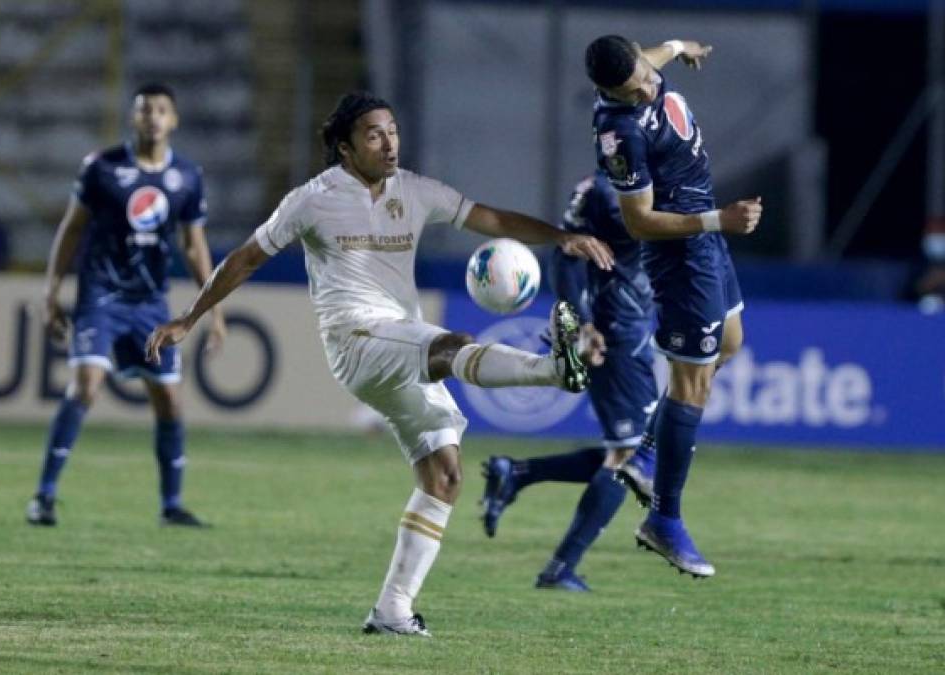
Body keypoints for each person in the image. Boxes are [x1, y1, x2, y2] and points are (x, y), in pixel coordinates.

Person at [144, 91, 614, 636]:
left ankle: (392, 610)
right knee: (448, 345)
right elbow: (245, 258)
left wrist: (563, 237)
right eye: (373, 134)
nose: (389, 142)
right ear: (345, 148)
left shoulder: (414, 191)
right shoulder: (312, 200)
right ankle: (554, 370)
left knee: (445, 474)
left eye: (392, 130)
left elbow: (488, 217)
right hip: (354, 339)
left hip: (400, 336)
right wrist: (190, 317)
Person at [584, 35, 763, 578]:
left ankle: (642, 454)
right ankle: (664, 520)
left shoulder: (644, 66)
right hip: (683, 255)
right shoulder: (620, 133)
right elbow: (638, 222)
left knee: (730, 344)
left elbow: (655, 57)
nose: (643, 90)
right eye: (629, 90)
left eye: (643, 76)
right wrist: (718, 220)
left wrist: (679, 45)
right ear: (606, 91)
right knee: (693, 383)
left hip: (708, 243)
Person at [26, 83, 225, 528]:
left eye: (160, 110)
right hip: (101, 294)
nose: (152, 117)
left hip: (151, 302)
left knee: (170, 401)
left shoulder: (188, 177)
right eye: (144, 110)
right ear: (133, 118)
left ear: (173, 120)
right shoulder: (101, 168)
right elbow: (71, 229)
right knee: (86, 386)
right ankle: (43, 496)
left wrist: (214, 311)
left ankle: (171, 506)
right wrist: (50, 292)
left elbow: (195, 248)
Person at [480, 170, 659, 591]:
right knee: (631, 457)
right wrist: (581, 325)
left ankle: (518, 473)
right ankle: (560, 568)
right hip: (614, 334)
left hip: (628, 328)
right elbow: (567, 252)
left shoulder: (608, 184)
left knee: (637, 453)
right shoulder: (609, 190)